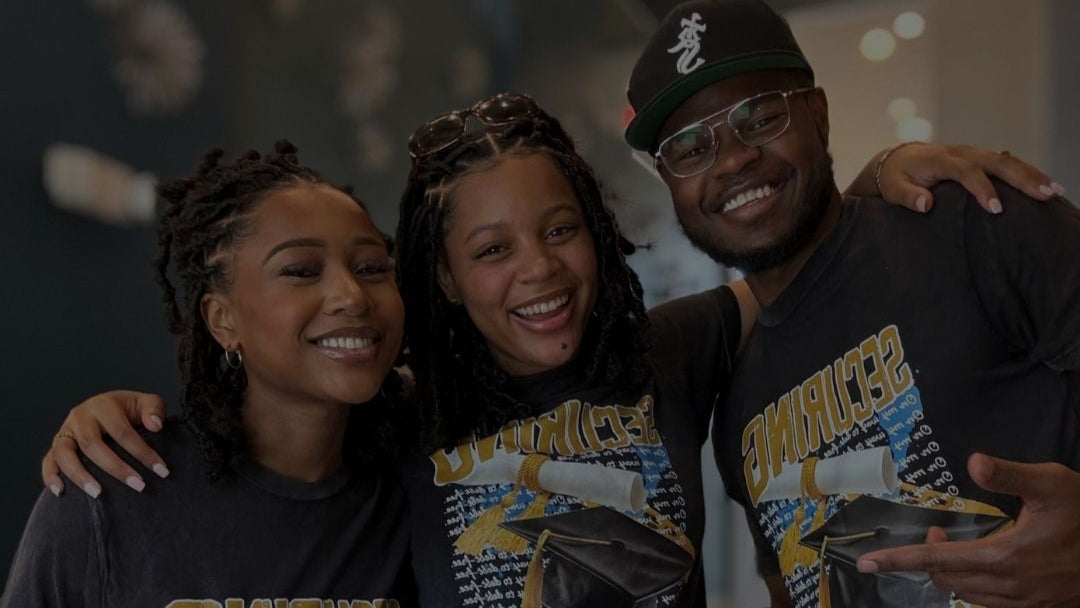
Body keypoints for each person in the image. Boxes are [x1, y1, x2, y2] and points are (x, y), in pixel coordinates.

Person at [35, 105, 1061, 606]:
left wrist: (882, 174)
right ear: (442, 276)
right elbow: (281, 436)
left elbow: (799, 267)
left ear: (600, 234)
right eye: (489, 249)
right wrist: (111, 412)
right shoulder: (399, 412)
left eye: (561, 229)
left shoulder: (674, 347)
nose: (537, 270)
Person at [624, 1, 1080, 607]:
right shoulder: (739, 412)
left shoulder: (977, 224)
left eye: (760, 117)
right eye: (689, 148)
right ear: (670, 182)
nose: (733, 159)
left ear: (817, 113)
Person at [2, 142, 414, 607]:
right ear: (223, 320)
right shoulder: (112, 491)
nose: (352, 295)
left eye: (373, 268)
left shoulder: (414, 490)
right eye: (301, 270)